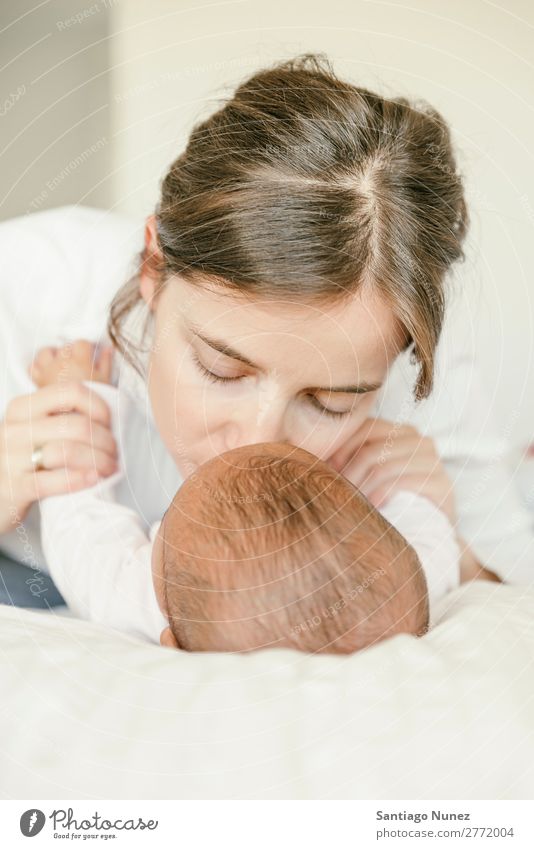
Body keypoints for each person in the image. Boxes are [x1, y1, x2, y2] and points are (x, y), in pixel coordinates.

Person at [0, 54, 532, 609]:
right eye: (221, 369)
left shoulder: (415, 366)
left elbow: (517, 596)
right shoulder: (25, 288)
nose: (257, 443)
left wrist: (443, 535)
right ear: (153, 268)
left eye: (329, 403)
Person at [34, 339, 460, 648]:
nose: (259, 435)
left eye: (329, 403)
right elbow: (429, 540)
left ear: (172, 646)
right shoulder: (409, 588)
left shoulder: (151, 605)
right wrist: (410, 482)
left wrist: (77, 403)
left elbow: (80, 528)